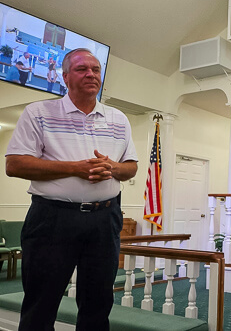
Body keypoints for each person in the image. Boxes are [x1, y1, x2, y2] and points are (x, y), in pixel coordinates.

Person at [5, 48, 138, 330]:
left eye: (96, 69)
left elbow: (131, 167)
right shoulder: (38, 112)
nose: (91, 74)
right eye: (81, 69)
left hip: (105, 220)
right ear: (65, 76)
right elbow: (15, 165)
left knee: (98, 305)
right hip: (52, 219)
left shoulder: (118, 119)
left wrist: (112, 168)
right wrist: (75, 168)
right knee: (41, 306)